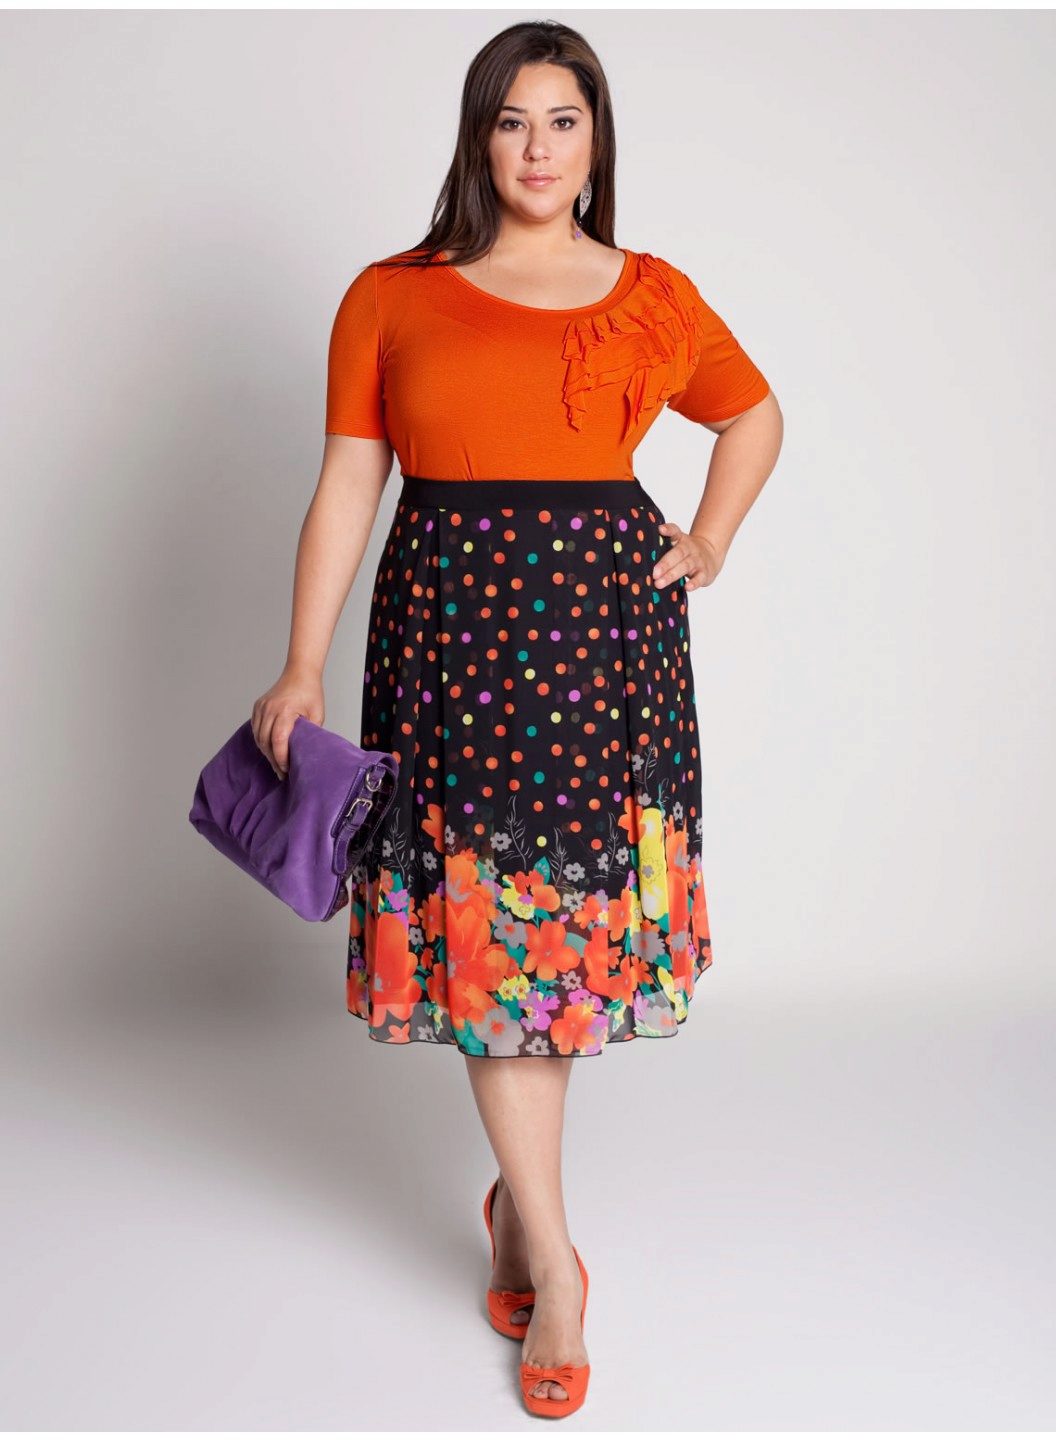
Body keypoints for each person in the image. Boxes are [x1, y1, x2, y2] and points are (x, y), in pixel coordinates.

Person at [251, 19, 783, 1420]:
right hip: (454, 645)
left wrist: (709, 540)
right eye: (512, 121)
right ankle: (555, 1261)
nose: (538, 149)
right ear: (477, 136)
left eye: (563, 121)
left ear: (596, 139)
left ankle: (518, 1218)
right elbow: (349, 485)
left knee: (554, 950)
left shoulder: (650, 295)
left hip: (603, 649)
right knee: (496, 950)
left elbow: (753, 416)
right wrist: (300, 665)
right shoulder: (392, 295)